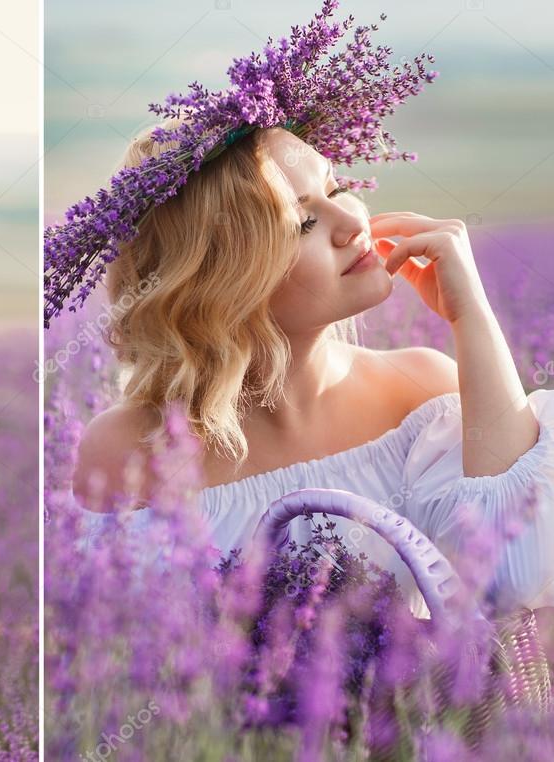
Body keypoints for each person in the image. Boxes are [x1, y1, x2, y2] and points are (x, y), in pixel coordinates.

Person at [69, 122, 554, 618]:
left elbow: (517, 573)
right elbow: (107, 652)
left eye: (335, 187)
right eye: (303, 223)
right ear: (222, 282)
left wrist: (470, 314)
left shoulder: (419, 395)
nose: (349, 220)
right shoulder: (129, 452)